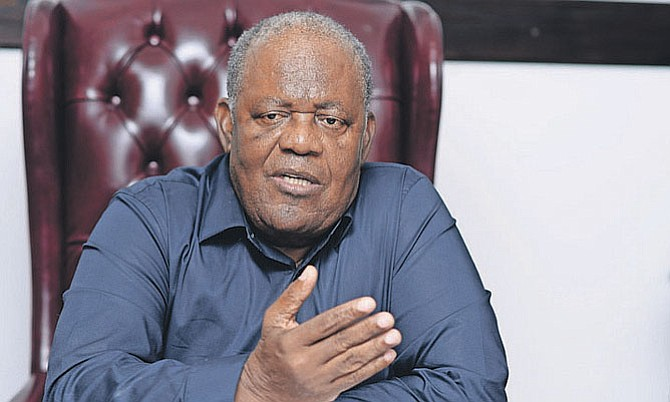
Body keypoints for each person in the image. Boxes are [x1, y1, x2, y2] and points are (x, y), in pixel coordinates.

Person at [44, 11, 508, 401]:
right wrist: (249, 386)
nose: (301, 141)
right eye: (272, 115)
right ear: (228, 125)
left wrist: (295, 397)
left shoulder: (405, 208)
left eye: (331, 120)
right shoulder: (149, 217)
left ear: (365, 137)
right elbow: (75, 387)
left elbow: (473, 386)